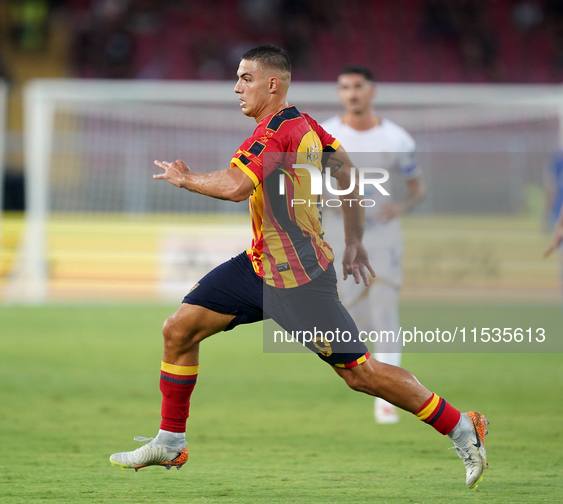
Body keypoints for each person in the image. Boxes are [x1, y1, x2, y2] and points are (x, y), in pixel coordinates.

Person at [109, 45, 488, 489]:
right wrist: (355, 241)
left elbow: (235, 187)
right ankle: (171, 441)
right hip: (257, 267)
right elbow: (349, 175)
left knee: (361, 375)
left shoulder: (274, 133)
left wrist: (185, 178)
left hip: (299, 279)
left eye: (245, 78)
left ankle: (463, 426)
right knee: (179, 329)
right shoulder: (310, 128)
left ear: (273, 83)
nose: (236, 87)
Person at [321, 66, 426, 424]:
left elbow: (417, 189)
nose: (351, 93)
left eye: (358, 86)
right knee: (350, 311)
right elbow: (306, 181)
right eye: (344, 86)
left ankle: (388, 399)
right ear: (339, 94)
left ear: (372, 91)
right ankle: (372, 378)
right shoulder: (325, 134)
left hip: (383, 233)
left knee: (384, 303)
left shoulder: (397, 139)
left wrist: (400, 206)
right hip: (339, 231)